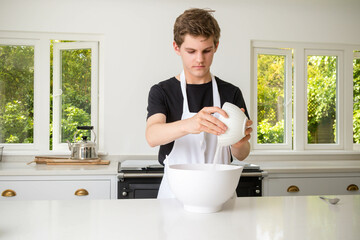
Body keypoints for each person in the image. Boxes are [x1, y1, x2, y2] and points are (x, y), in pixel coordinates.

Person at [146, 8, 253, 199]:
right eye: (191, 51)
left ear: (216, 46)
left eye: (207, 51)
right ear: (176, 48)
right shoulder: (162, 91)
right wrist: (190, 124)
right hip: (175, 196)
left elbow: (242, 154)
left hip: (221, 194)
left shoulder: (231, 92)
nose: (199, 59)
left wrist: (237, 142)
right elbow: (152, 136)